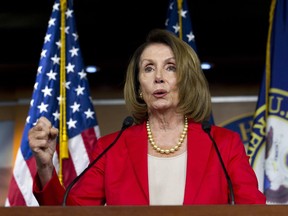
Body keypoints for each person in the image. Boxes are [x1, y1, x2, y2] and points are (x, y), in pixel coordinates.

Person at [29, 29, 266, 205]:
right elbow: (70, 213)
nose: (159, 77)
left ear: (187, 81)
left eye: (171, 67)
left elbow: (255, 211)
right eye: (149, 68)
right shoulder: (111, 148)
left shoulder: (224, 144)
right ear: (140, 86)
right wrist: (45, 165)